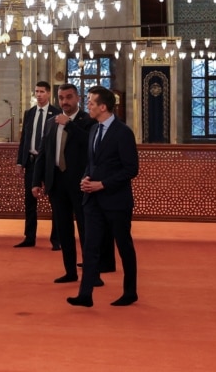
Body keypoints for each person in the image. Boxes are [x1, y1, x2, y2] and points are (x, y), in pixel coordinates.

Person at [68, 85, 140, 308]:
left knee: (124, 246)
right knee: (90, 247)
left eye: (91, 102)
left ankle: (130, 292)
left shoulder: (123, 132)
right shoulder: (93, 129)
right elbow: (92, 163)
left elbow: (131, 169)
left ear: (103, 107)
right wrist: (86, 178)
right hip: (93, 200)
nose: (87, 105)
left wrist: (103, 184)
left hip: (116, 200)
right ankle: (85, 294)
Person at [32, 83, 99, 283]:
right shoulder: (51, 122)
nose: (65, 102)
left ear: (78, 98)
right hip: (57, 183)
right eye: (61, 98)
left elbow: (91, 144)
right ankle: (70, 272)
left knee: (86, 230)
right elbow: (43, 153)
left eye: (69, 97)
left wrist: (69, 124)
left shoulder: (88, 120)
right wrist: (36, 181)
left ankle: (92, 274)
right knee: (64, 229)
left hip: (80, 184)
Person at [15, 81, 62, 249]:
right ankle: (29, 237)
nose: (39, 95)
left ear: (48, 93)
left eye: (42, 91)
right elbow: (24, 139)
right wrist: (20, 162)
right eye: (36, 91)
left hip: (50, 163)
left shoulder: (56, 113)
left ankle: (56, 240)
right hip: (32, 161)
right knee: (30, 201)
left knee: (55, 201)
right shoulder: (30, 113)